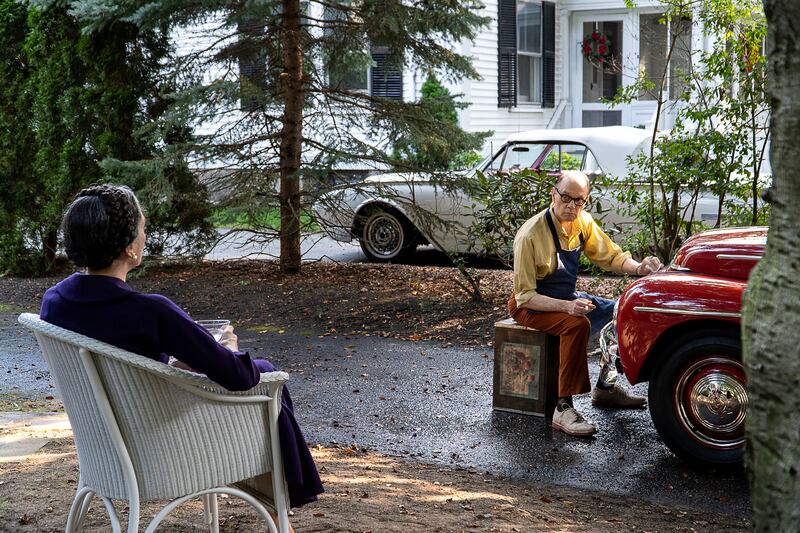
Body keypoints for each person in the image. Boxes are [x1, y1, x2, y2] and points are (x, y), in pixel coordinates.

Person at [40, 184, 323, 530]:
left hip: (104, 449)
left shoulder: (54, 302)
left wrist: (170, 366)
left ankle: (280, 513)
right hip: (164, 453)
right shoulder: (151, 311)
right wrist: (228, 349)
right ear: (129, 247)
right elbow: (239, 377)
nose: (145, 235)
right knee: (267, 378)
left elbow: (118, 359)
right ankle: (282, 511)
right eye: (143, 229)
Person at [508, 170, 662, 437]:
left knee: (620, 313)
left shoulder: (582, 223)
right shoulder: (530, 235)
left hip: (565, 298)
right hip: (530, 305)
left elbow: (611, 256)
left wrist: (639, 268)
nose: (572, 206)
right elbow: (524, 296)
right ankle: (563, 408)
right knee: (576, 324)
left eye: (579, 201)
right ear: (553, 194)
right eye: (566, 198)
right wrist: (567, 307)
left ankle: (605, 387)